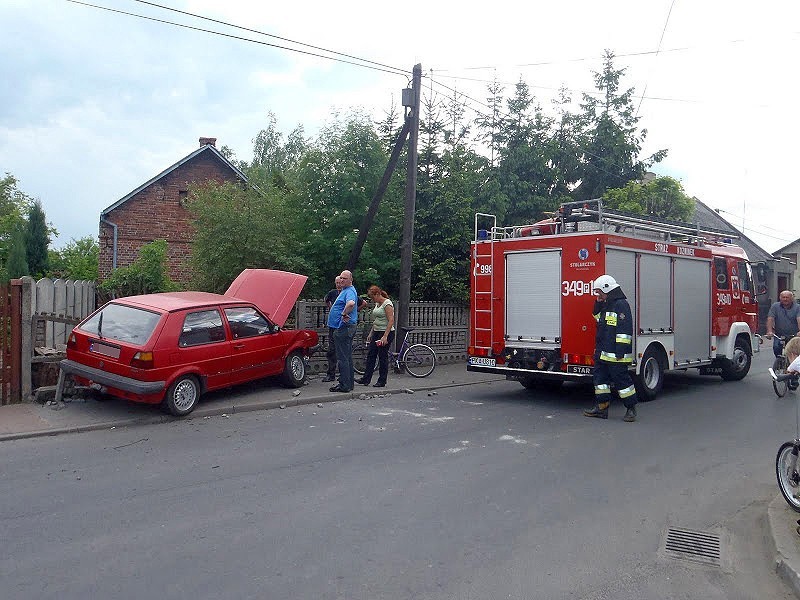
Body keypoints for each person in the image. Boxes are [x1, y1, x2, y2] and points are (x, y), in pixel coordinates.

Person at [583, 274, 639, 422]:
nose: (597, 294)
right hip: (602, 352)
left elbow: (624, 330)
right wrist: (598, 302)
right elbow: (596, 317)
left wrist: (621, 350)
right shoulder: (606, 303)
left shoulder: (621, 305)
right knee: (600, 381)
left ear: (606, 289)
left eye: (598, 291)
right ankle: (602, 408)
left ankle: (631, 408)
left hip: (616, 354)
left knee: (622, 382)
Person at [356, 285, 395, 388]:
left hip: (386, 332)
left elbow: (391, 320)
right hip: (377, 331)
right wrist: (371, 333)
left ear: (377, 294)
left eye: (373, 297)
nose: (373, 300)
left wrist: (385, 336)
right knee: (371, 355)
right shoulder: (377, 304)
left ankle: (382, 381)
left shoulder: (387, 304)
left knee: (382, 356)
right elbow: (376, 320)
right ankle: (366, 379)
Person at [327, 270, 358, 393]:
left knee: (342, 358)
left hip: (344, 328)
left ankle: (344, 384)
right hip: (346, 327)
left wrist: (344, 313)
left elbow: (351, 303)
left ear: (351, 280)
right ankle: (349, 383)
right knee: (347, 356)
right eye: (341, 277)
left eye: (345, 278)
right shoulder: (346, 290)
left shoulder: (349, 291)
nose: (342, 280)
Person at [321, 276, 343, 383]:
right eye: (337, 283)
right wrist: (330, 307)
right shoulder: (333, 293)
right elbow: (326, 299)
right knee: (332, 350)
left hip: (342, 326)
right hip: (333, 325)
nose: (338, 285)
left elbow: (362, 303)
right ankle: (331, 374)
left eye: (340, 283)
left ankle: (343, 374)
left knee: (342, 351)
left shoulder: (347, 293)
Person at [765, 290, 800, 358]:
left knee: (794, 352)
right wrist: (769, 331)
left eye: (787, 297)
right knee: (776, 347)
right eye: (783, 297)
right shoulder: (775, 306)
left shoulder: (798, 307)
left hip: (793, 334)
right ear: (780, 298)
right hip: (779, 334)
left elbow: (799, 319)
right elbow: (770, 319)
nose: (785, 299)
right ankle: (779, 362)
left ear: (792, 298)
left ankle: (792, 366)